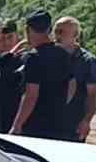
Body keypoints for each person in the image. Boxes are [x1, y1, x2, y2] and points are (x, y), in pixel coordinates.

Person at [10, 9, 78, 141]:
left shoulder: (33, 57)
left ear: (28, 30)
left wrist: (17, 125)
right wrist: (60, 104)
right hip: (59, 123)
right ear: (49, 29)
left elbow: (31, 95)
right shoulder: (63, 53)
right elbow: (72, 84)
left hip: (36, 126)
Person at [54, 17, 96, 143]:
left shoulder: (87, 61)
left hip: (73, 123)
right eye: (56, 31)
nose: (57, 35)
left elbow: (92, 94)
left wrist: (86, 120)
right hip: (49, 121)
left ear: (75, 35)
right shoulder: (49, 56)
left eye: (61, 32)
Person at [0, 20, 27, 133]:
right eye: (2, 38)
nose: (6, 42)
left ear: (17, 37)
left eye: (10, 37)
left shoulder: (25, 59)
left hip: (17, 116)